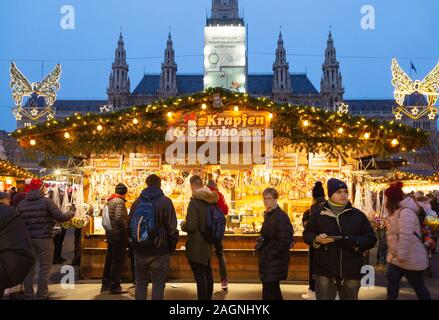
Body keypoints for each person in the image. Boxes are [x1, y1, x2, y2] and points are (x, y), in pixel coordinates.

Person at [303, 178, 377, 300]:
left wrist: (354, 242)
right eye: (338, 192)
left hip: (351, 271)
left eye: (345, 191)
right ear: (330, 194)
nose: (343, 195)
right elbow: (307, 234)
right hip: (325, 271)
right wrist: (316, 239)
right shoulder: (318, 215)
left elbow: (371, 238)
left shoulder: (358, 215)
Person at [16, 179, 75, 300]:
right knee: (45, 267)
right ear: (41, 188)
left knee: (29, 267)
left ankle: (28, 294)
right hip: (44, 239)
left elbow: (17, 223)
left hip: (28, 240)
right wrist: (72, 213)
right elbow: (61, 216)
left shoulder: (21, 204)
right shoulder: (46, 202)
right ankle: (42, 294)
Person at [129, 174, 179, 300]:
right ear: (160, 184)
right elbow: (172, 229)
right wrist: (170, 248)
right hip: (160, 251)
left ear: (146, 184)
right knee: (158, 285)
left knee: (140, 284)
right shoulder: (166, 202)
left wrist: (133, 245)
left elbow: (128, 226)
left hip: (140, 251)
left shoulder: (137, 202)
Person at [385, 182, 432, 300]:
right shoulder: (397, 211)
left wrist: (401, 256)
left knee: (419, 287)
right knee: (392, 287)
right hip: (396, 258)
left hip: (410, 257)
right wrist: (393, 256)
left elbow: (406, 236)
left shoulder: (406, 212)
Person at [181, 175, 218, 300]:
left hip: (197, 244)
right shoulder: (211, 200)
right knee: (207, 271)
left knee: (200, 277)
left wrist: (183, 225)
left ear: (192, 186)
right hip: (208, 242)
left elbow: (191, 226)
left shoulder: (194, 202)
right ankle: (208, 297)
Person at [257, 188, 293, 300]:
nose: (266, 201)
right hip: (269, 259)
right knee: (272, 289)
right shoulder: (270, 214)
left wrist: (270, 254)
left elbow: (284, 241)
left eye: (269, 198)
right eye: (264, 198)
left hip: (274, 260)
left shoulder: (280, 217)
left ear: (275, 199)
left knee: (270, 290)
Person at [0, 192, 35, 300]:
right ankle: (37, 292)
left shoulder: (19, 207)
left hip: (21, 240)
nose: (9, 201)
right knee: (44, 267)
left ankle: (28, 291)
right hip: (39, 237)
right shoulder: (8, 213)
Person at [101, 183, 129, 295]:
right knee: (117, 261)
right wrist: (125, 229)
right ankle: (115, 286)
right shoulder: (119, 202)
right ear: (125, 193)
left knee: (110, 259)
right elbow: (118, 218)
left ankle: (106, 284)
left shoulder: (110, 201)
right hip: (118, 235)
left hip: (110, 234)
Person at [301, 181, 326, 300]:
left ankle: (313, 290)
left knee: (314, 268)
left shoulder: (310, 211)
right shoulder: (329, 208)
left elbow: (306, 229)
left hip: (315, 244)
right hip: (328, 243)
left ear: (313, 196)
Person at [207, 179, 229, 290]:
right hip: (218, 232)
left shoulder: (204, 195)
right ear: (216, 186)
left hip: (207, 232)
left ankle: (208, 281)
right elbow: (226, 211)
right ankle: (224, 280)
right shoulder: (219, 195)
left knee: (207, 257)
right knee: (220, 255)